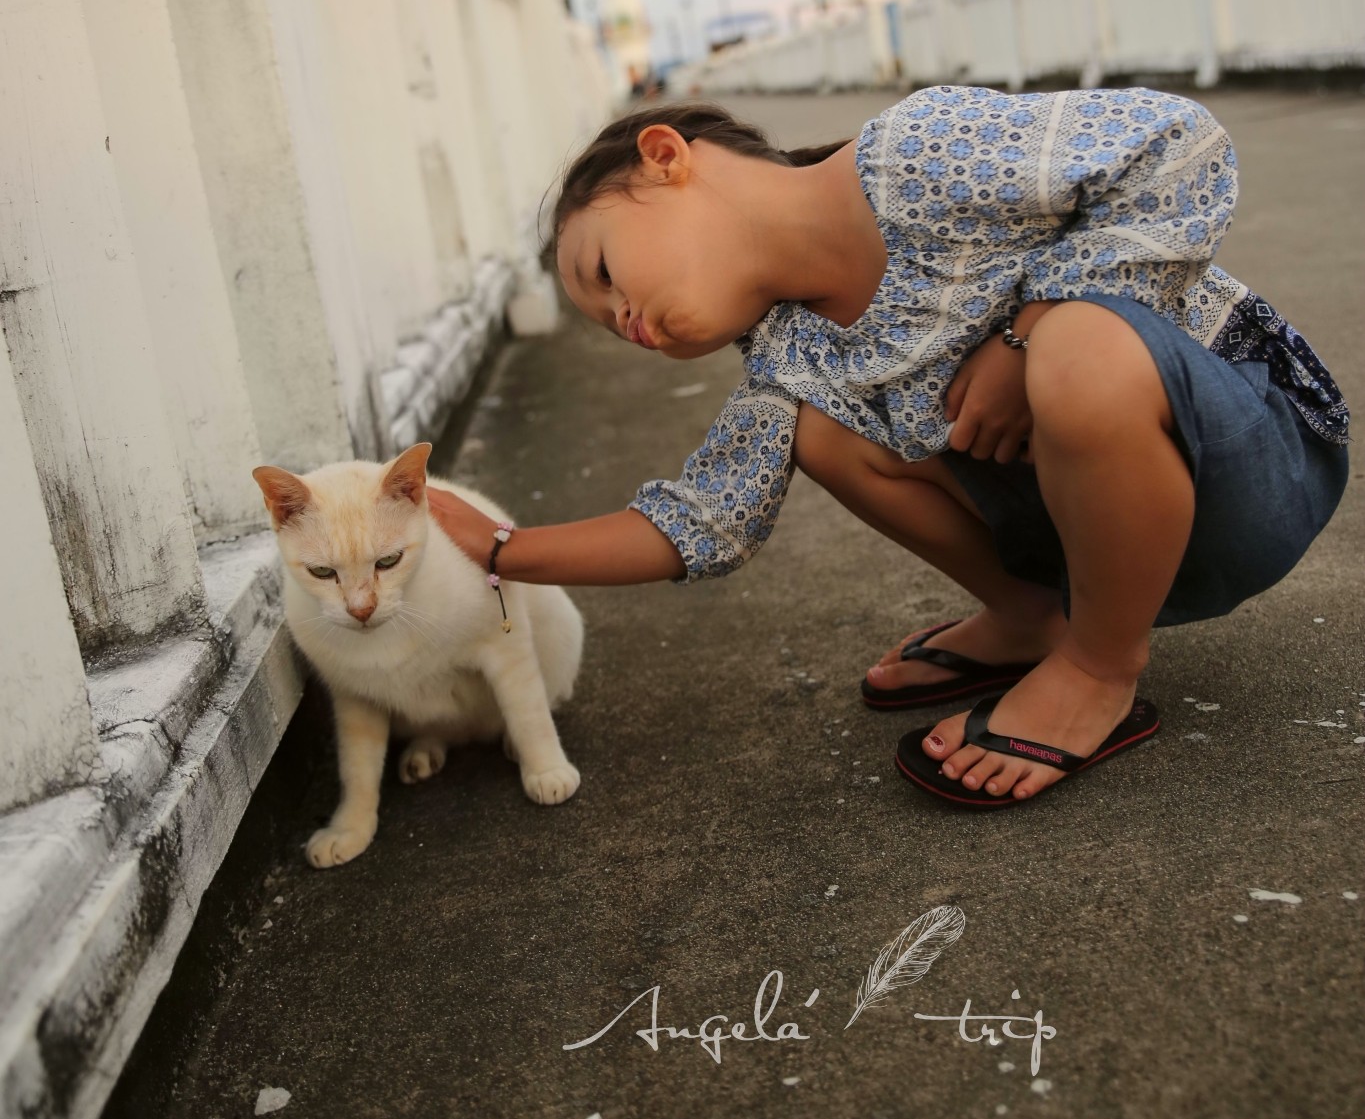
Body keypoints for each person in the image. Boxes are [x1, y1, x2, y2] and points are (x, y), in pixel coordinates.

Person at [428, 90, 1348, 809]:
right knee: (824, 434)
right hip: (1104, 536)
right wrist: (503, 552)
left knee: (1079, 347)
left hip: (1244, 462)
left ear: (665, 158)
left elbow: (1175, 145)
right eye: (603, 324)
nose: (623, 322)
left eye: (603, 275)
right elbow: (702, 521)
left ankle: (1098, 669)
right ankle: (1035, 618)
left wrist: (1026, 331)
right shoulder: (788, 355)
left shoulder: (919, 152)